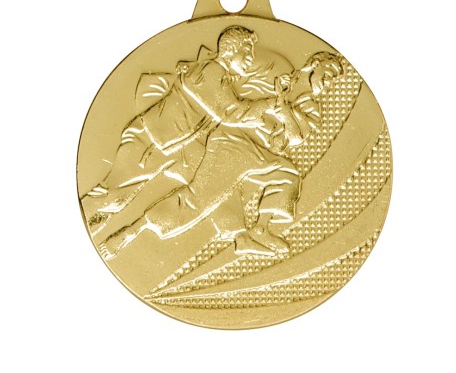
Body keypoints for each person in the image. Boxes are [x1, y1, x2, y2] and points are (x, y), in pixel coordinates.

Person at [99, 51, 343, 258]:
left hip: (260, 155)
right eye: (328, 74)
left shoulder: (311, 107)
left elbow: (296, 137)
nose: (329, 83)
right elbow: (227, 71)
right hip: (232, 143)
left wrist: (284, 105)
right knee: (198, 200)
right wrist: (194, 68)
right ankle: (132, 230)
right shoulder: (276, 68)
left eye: (333, 81)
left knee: (288, 176)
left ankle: (259, 230)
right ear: (313, 64)